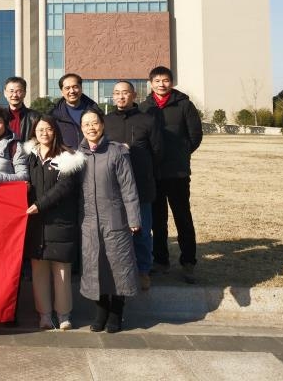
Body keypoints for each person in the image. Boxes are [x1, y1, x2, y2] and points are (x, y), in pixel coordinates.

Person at [77, 109, 140, 333]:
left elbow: (129, 188)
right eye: (86, 124)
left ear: (102, 125)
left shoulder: (117, 151)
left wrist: (133, 218)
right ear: (81, 128)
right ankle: (101, 310)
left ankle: (116, 311)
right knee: (95, 266)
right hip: (89, 222)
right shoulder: (77, 155)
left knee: (118, 265)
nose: (91, 128)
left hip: (115, 219)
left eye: (95, 123)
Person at [140, 66, 203, 284]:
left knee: (182, 217)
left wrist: (182, 153)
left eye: (165, 80)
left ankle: (188, 262)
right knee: (157, 221)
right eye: (157, 81)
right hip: (154, 173)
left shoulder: (184, 105)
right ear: (151, 83)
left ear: (172, 82)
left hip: (177, 173)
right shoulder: (144, 107)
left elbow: (195, 135)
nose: (161, 84)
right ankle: (160, 260)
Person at [22, 114, 85, 330]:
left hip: (60, 222)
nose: (44, 133)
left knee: (61, 272)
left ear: (55, 131)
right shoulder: (29, 157)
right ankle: (45, 315)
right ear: (34, 132)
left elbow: (64, 188)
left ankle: (64, 314)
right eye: (40, 129)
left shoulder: (67, 157)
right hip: (35, 224)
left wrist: (39, 205)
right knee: (39, 271)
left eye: (48, 129)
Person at [104, 81, 163, 290]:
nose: (121, 97)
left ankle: (143, 270)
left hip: (141, 186)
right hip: (112, 187)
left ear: (134, 95)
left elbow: (157, 152)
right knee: (114, 231)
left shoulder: (147, 121)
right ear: (112, 96)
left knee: (142, 230)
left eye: (125, 93)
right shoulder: (106, 121)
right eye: (117, 93)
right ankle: (116, 270)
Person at [49, 73, 102, 148]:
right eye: (67, 88)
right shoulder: (54, 116)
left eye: (75, 87)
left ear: (81, 88)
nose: (72, 91)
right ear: (62, 92)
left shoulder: (96, 112)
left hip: (94, 154)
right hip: (66, 155)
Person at [3, 76, 41, 141]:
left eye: (19, 91)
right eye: (11, 91)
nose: (14, 95)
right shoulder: (0, 116)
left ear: (25, 93)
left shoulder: (36, 117)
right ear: (5, 93)